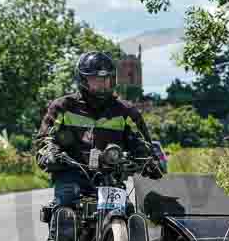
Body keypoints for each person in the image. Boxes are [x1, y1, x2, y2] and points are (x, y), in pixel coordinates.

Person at [34, 50, 162, 208]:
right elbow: (44, 139)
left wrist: (148, 160)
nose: (102, 84)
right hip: (71, 174)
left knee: (128, 211)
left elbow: (141, 141)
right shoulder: (63, 107)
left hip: (111, 176)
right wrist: (50, 154)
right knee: (64, 210)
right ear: (83, 80)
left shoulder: (125, 111)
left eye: (106, 79)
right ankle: (60, 230)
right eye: (95, 79)